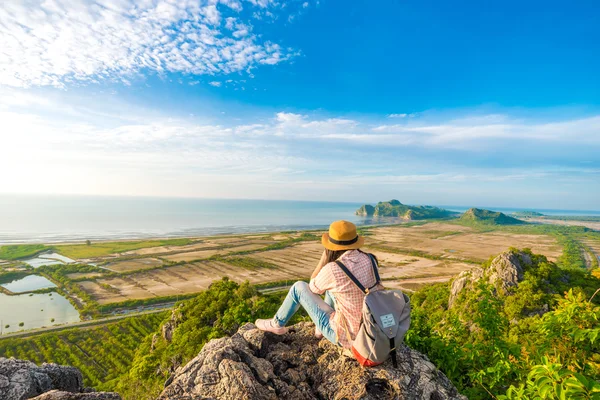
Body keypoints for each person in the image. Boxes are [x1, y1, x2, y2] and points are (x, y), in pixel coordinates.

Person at [255, 220, 381, 348]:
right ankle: (319, 331)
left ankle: (277, 324)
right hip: (371, 332)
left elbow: (312, 288)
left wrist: (324, 258)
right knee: (336, 289)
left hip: (347, 337)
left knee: (298, 287)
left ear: (331, 246)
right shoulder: (370, 259)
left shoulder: (334, 269)